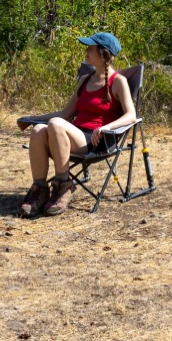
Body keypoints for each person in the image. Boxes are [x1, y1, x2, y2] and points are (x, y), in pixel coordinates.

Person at [15, 32, 137, 217]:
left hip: (96, 139)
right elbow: (65, 114)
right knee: (39, 129)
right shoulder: (84, 80)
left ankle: (64, 186)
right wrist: (33, 118)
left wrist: (107, 127)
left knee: (56, 124)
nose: (86, 52)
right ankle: (39, 190)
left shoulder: (118, 81)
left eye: (91, 48)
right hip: (71, 134)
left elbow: (131, 115)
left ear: (103, 54)